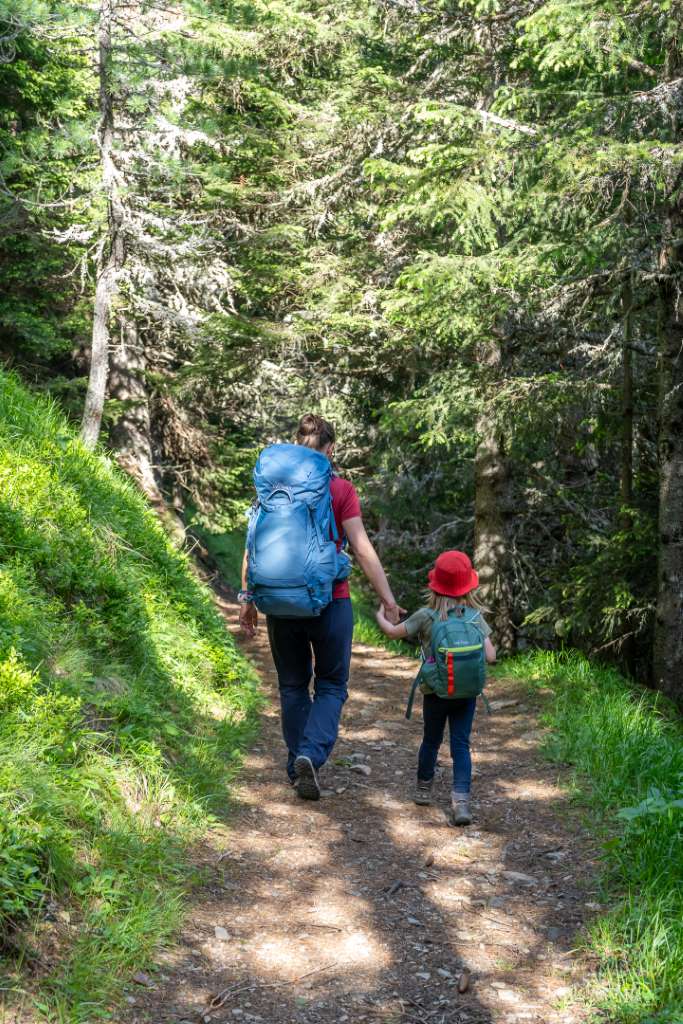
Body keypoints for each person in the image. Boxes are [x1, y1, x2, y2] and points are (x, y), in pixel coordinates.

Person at [239, 414, 405, 800]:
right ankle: (311, 755)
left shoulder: (270, 489)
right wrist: (387, 597)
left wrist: (248, 599)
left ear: (296, 445)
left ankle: (298, 761)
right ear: (330, 450)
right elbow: (361, 548)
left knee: (292, 685)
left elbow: (253, 544)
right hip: (331, 600)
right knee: (331, 684)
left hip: (279, 602)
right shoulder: (340, 488)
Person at [375, 550, 496, 825]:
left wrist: (381, 615)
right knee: (461, 744)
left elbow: (393, 632)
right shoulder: (474, 617)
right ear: (468, 586)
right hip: (466, 694)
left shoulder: (426, 616)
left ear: (435, 584)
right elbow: (491, 656)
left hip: (436, 692)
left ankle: (423, 788)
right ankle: (461, 802)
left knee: (431, 739)